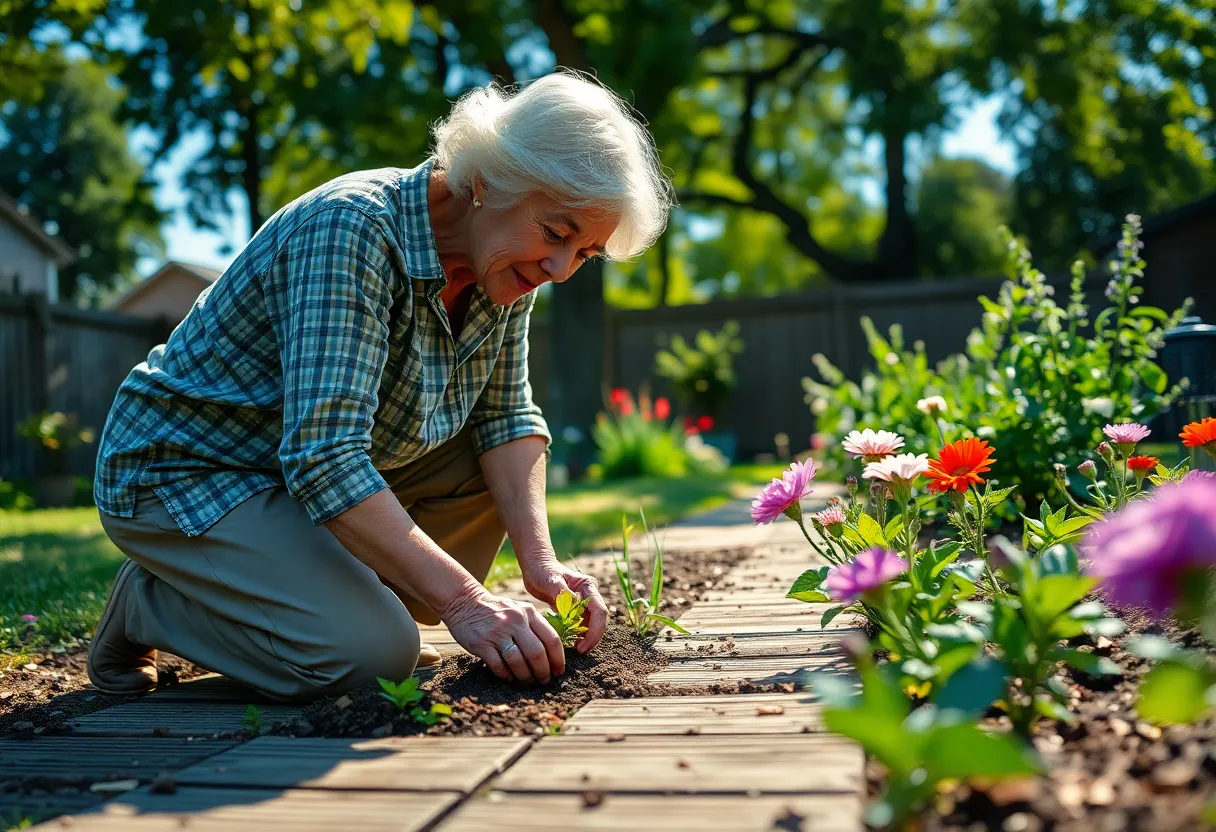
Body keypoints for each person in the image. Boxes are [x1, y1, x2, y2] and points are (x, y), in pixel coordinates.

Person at [87, 71, 672, 702]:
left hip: (296, 469)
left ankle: (296, 584)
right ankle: (150, 601)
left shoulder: (503, 265)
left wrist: (542, 563)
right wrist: (466, 602)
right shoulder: (351, 231)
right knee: (374, 654)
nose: (560, 270)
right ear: (485, 180)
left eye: (585, 253)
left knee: (472, 492)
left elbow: (506, 418)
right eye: (557, 233)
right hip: (189, 471)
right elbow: (323, 456)